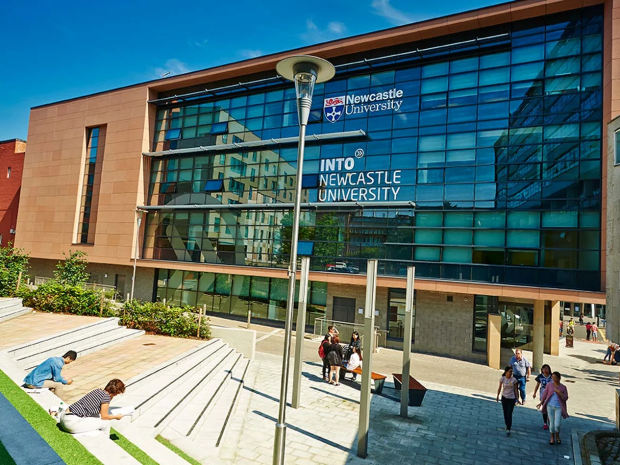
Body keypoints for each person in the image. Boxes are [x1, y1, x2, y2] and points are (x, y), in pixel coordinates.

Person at [59, 379, 126, 436]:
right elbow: (104, 417)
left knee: (97, 417)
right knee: (106, 423)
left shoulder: (97, 391)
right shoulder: (106, 397)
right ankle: (105, 441)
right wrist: (116, 417)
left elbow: (98, 411)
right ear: (115, 392)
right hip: (71, 423)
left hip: (64, 417)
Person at [537, 372, 569, 445]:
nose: (553, 379)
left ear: (559, 378)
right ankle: (552, 438)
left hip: (559, 407)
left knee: (557, 424)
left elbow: (565, 398)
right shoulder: (549, 385)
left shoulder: (563, 387)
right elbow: (545, 394)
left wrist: (560, 393)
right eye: (552, 377)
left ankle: (557, 435)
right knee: (551, 423)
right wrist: (541, 402)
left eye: (555, 377)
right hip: (550, 406)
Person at [496, 366, 520, 435]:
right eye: (510, 371)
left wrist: (517, 398)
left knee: (509, 413)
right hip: (504, 397)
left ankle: (508, 428)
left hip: (511, 398)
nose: (511, 373)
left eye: (512, 372)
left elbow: (516, 389)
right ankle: (507, 424)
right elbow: (499, 388)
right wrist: (497, 395)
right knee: (505, 412)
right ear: (506, 372)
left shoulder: (514, 380)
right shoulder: (502, 379)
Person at [533, 364, 553, 430]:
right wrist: (534, 393)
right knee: (544, 408)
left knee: (549, 408)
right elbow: (537, 385)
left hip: (551, 395)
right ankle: (545, 423)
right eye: (544, 369)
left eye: (547, 368)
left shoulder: (552, 376)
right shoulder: (540, 376)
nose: (545, 370)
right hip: (543, 394)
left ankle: (550, 421)